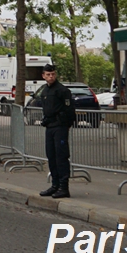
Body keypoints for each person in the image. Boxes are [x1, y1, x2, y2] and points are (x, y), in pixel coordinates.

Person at [38, 64, 76, 198]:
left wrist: (66, 124)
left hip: (60, 126)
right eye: (48, 74)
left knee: (61, 156)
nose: (51, 76)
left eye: (53, 74)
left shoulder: (62, 90)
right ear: (43, 76)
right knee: (51, 156)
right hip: (50, 126)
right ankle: (55, 185)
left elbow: (70, 110)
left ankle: (64, 187)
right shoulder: (45, 90)